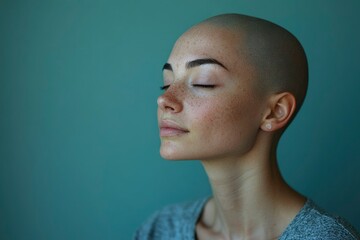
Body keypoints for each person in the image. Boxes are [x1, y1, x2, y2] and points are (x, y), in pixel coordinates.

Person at [134, 13, 360, 240]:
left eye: (203, 82)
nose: (164, 99)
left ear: (274, 111)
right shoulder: (159, 229)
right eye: (167, 83)